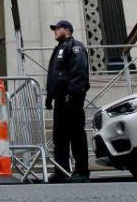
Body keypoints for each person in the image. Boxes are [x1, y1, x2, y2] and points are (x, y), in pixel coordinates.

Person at [45, 19, 90, 183]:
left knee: (76, 134)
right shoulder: (58, 49)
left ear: (68, 30)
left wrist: (72, 93)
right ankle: (61, 170)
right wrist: (49, 96)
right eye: (54, 29)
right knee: (60, 137)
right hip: (60, 100)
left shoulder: (75, 46)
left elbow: (79, 71)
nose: (55, 31)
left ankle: (82, 171)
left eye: (57, 28)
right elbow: (53, 75)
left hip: (72, 98)